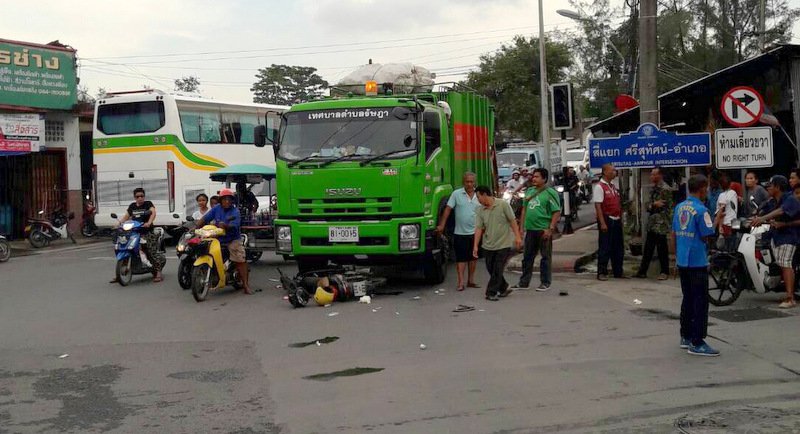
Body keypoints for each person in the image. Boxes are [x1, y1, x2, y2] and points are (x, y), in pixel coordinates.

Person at [673, 174, 724, 356]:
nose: (708, 191)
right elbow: (707, 234)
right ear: (702, 188)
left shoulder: (679, 208)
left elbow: (674, 233)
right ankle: (697, 341)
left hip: (682, 260)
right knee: (700, 301)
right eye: (707, 188)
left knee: (688, 299)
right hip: (697, 260)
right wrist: (717, 219)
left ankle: (685, 336)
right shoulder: (701, 210)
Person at [752, 175, 800, 308]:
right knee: (781, 264)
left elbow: (781, 211)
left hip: (789, 237)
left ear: (778, 187)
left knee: (786, 264)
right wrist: (755, 218)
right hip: (776, 237)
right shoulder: (771, 201)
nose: (768, 187)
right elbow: (762, 213)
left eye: (770, 185)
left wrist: (764, 219)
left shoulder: (790, 199)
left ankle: (790, 298)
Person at [511, 168, 561, 292]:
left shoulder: (550, 193)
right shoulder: (529, 191)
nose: (534, 179)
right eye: (533, 176)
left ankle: (545, 282)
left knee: (545, 257)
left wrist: (550, 229)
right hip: (531, 230)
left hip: (543, 229)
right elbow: (524, 210)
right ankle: (524, 282)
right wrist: (521, 228)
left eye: (537, 177)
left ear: (544, 179)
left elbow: (556, 212)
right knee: (527, 257)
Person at [195, 188, 253, 295]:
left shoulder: (235, 211)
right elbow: (204, 218)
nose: (227, 201)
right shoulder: (216, 208)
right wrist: (195, 227)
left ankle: (245, 285)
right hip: (218, 238)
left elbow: (235, 225)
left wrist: (226, 225)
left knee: (239, 259)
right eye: (224, 199)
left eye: (229, 199)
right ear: (220, 200)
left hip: (232, 239)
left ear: (232, 201)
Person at [473, 185, 523, 301]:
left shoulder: (502, 205)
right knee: (491, 268)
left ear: (484, 194)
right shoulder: (480, 210)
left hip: (503, 243)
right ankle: (504, 287)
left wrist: (518, 237)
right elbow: (479, 228)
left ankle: (491, 292)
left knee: (497, 268)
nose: (478, 200)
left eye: (478, 197)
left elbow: (512, 220)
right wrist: (475, 246)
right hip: (488, 244)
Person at [436, 172, 480, 291]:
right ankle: (461, 282)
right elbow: (448, 210)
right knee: (461, 259)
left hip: (475, 232)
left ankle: (471, 280)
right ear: (463, 182)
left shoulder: (479, 195)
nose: (469, 184)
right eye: (467, 182)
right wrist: (441, 225)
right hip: (460, 232)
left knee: (473, 258)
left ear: (474, 182)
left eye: (471, 182)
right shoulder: (456, 194)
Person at [111, 188, 165, 283]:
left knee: (150, 249)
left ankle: (158, 272)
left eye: (141, 196)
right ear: (134, 197)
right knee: (124, 246)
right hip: (133, 232)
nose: (140, 198)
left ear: (144, 196)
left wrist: (149, 222)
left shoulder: (148, 204)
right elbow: (126, 217)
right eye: (137, 196)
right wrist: (119, 224)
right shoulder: (132, 206)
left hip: (146, 231)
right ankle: (119, 274)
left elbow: (153, 213)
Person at [636, 167, 674, 280]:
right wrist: (653, 205)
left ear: (660, 175)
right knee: (648, 249)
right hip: (652, 223)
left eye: (654, 175)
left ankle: (664, 272)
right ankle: (642, 271)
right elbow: (648, 206)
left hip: (661, 223)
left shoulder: (665, 189)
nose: (651, 177)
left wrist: (669, 225)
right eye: (651, 175)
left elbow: (667, 208)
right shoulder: (654, 189)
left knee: (662, 249)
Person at [593, 163, 625, 280]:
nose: (614, 173)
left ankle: (618, 271)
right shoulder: (600, 187)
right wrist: (602, 223)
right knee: (605, 246)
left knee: (618, 247)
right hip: (607, 219)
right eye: (612, 171)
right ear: (605, 172)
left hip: (616, 219)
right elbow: (598, 206)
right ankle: (602, 272)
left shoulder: (613, 186)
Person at [715, 173, 738, 251]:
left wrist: (720, 226)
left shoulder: (722, 195)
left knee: (725, 248)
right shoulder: (734, 193)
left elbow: (722, 212)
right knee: (734, 247)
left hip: (726, 223)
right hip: (735, 222)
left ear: (720, 185)